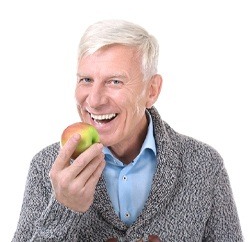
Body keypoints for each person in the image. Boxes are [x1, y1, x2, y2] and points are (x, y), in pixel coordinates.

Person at [12, 19, 243, 242]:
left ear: (151, 91)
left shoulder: (204, 165)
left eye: (115, 82)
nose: (94, 100)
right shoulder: (46, 167)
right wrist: (64, 208)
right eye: (86, 79)